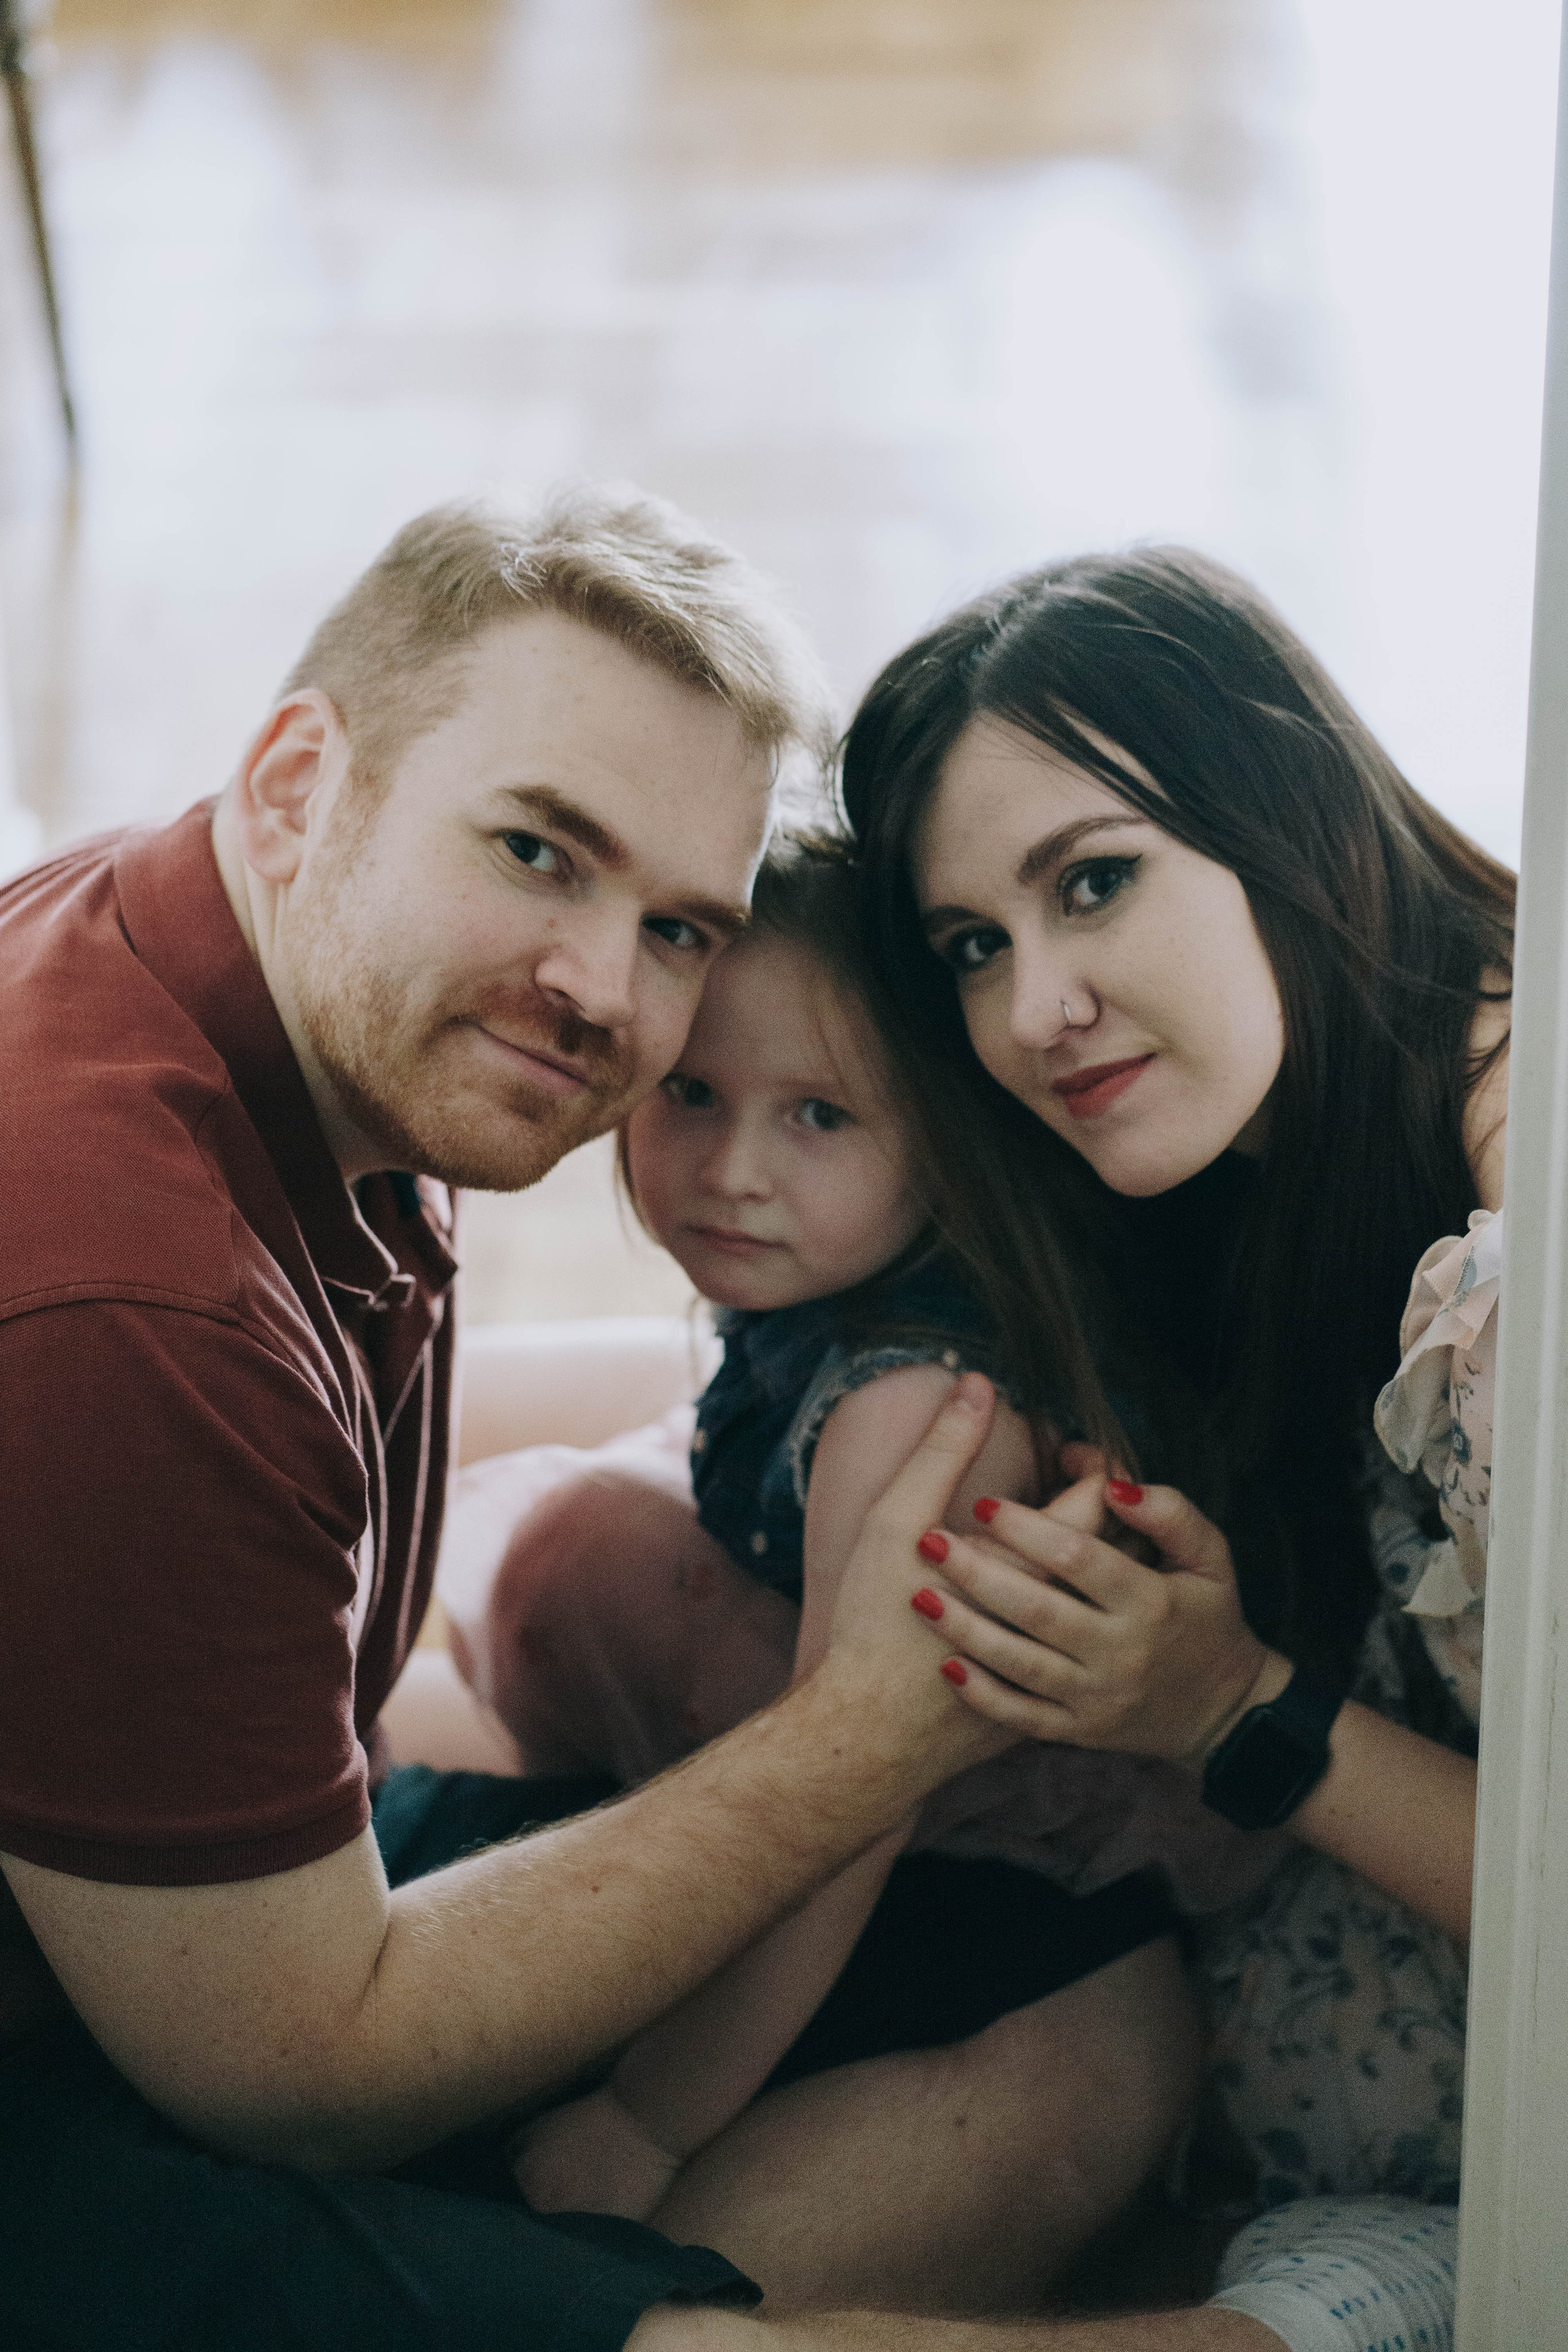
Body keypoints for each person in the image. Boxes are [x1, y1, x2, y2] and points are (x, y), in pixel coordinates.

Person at [0, 489, 1202, 2352]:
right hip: (103, 2065)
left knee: (1095, 1997)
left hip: (182, 1912)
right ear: (299, 784)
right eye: (537, 851)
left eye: (678, 925)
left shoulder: (266, 975)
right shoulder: (124, 1298)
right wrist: (875, 1728)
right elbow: (298, 2072)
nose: (603, 993)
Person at [834, 543, 1504, 2346]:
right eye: (974, 947)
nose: (1029, 1013)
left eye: (1095, 882)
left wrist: (1233, 1711)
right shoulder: (1241, 1177)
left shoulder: (1514, 1249)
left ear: (1287, 813)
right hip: (1302, 2116)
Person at [450, 836, 1237, 2285]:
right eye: (691, 1093)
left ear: (942, 1142)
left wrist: (648, 2119)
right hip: (875, 1827)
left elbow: (849, 1795)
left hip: (1001, 1894)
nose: (730, 1172)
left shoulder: (915, 1414)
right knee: (565, 1545)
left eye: (818, 1115)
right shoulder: (822, 1290)